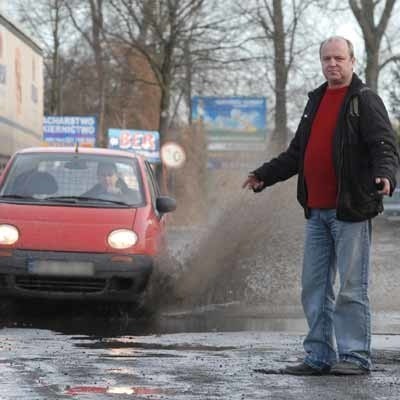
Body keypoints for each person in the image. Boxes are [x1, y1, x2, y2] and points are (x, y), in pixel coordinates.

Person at [243, 36, 399, 376]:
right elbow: (297, 154)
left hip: (351, 212)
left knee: (351, 289)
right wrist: (263, 175)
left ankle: (355, 357)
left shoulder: (364, 100)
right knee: (314, 288)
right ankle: (319, 356)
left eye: (339, 58)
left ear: (352, 61)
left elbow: (383, 146)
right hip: (316, 212)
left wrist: (386, 175)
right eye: (327, 58)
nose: (332, 64)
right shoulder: (315, 101)